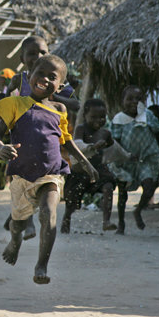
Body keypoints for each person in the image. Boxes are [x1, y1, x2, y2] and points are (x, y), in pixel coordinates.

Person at [0, 54, 97, 284]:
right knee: (17, 223)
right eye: (40, 73)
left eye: (52, 77)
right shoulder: (14, 104)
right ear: (29, 76)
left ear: (59, 86)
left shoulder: (59, 109)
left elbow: (66, 141)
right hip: (21, 175)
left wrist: (85, 163)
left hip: (51, 173)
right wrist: (1, 147)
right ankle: (15, 240)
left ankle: (41, 265)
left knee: (48, 214)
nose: (45, 79)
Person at [107, 86, 159, 233]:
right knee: (122, 195)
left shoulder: (147, 115)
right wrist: (124, 155)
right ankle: (121, 224)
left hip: (145, 159)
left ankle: (138, 209)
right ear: (122, 101)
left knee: (149, 186)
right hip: (125, 161)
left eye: (138, 99)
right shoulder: (119, 119)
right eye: (130, 99)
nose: (134, 102)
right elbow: (115, 141)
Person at [61, 98, 118, 233]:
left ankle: (106, 221)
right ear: (85, 115)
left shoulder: (105, 133)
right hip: (80, 170)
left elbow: (116, 149)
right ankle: (66, 219)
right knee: (71, 200)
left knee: (108, 187)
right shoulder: (81, 128)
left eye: (102, 117)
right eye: (93, 117)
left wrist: (128, 156)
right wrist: (91, 146)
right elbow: (77, 144)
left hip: (98, 170)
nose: (98, 120)